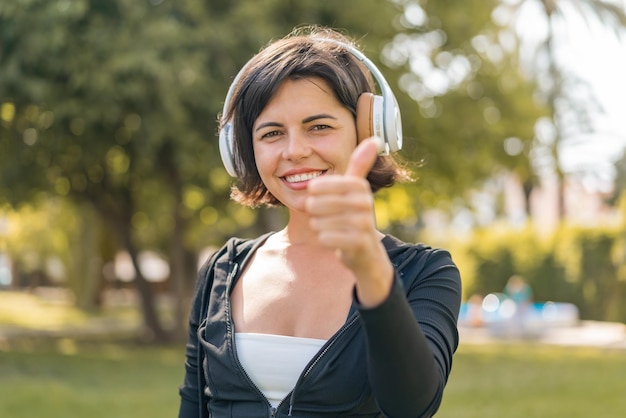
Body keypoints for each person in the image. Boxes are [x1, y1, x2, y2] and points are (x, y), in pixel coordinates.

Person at [178, 25, 462, 418]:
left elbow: (411, 406)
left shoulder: (426, 273)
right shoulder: (220, 272)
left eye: (319, 127)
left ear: (369, 132)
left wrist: (371, 270)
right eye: (272, 133)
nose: (295, 151)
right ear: (244, 152)